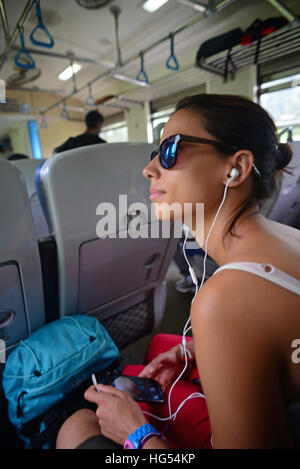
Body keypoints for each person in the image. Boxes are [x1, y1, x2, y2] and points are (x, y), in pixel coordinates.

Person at [56, 94, 300, 449]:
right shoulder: (286, 235)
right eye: (153, 153)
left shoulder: (224, 299)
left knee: (77, 426)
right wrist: (194, 348)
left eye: (170, 150)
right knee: (161, 346)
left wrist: (137, 434)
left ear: (236, 168)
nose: (150, 169)